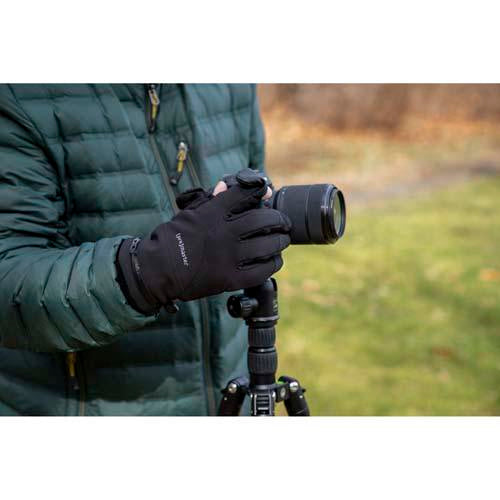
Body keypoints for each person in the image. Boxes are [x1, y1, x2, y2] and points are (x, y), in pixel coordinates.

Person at [0, 84, 291, 415]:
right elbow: (8, 275)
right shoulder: (19, 94)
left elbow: (256, 196)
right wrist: (149, 270)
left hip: (233, 396)